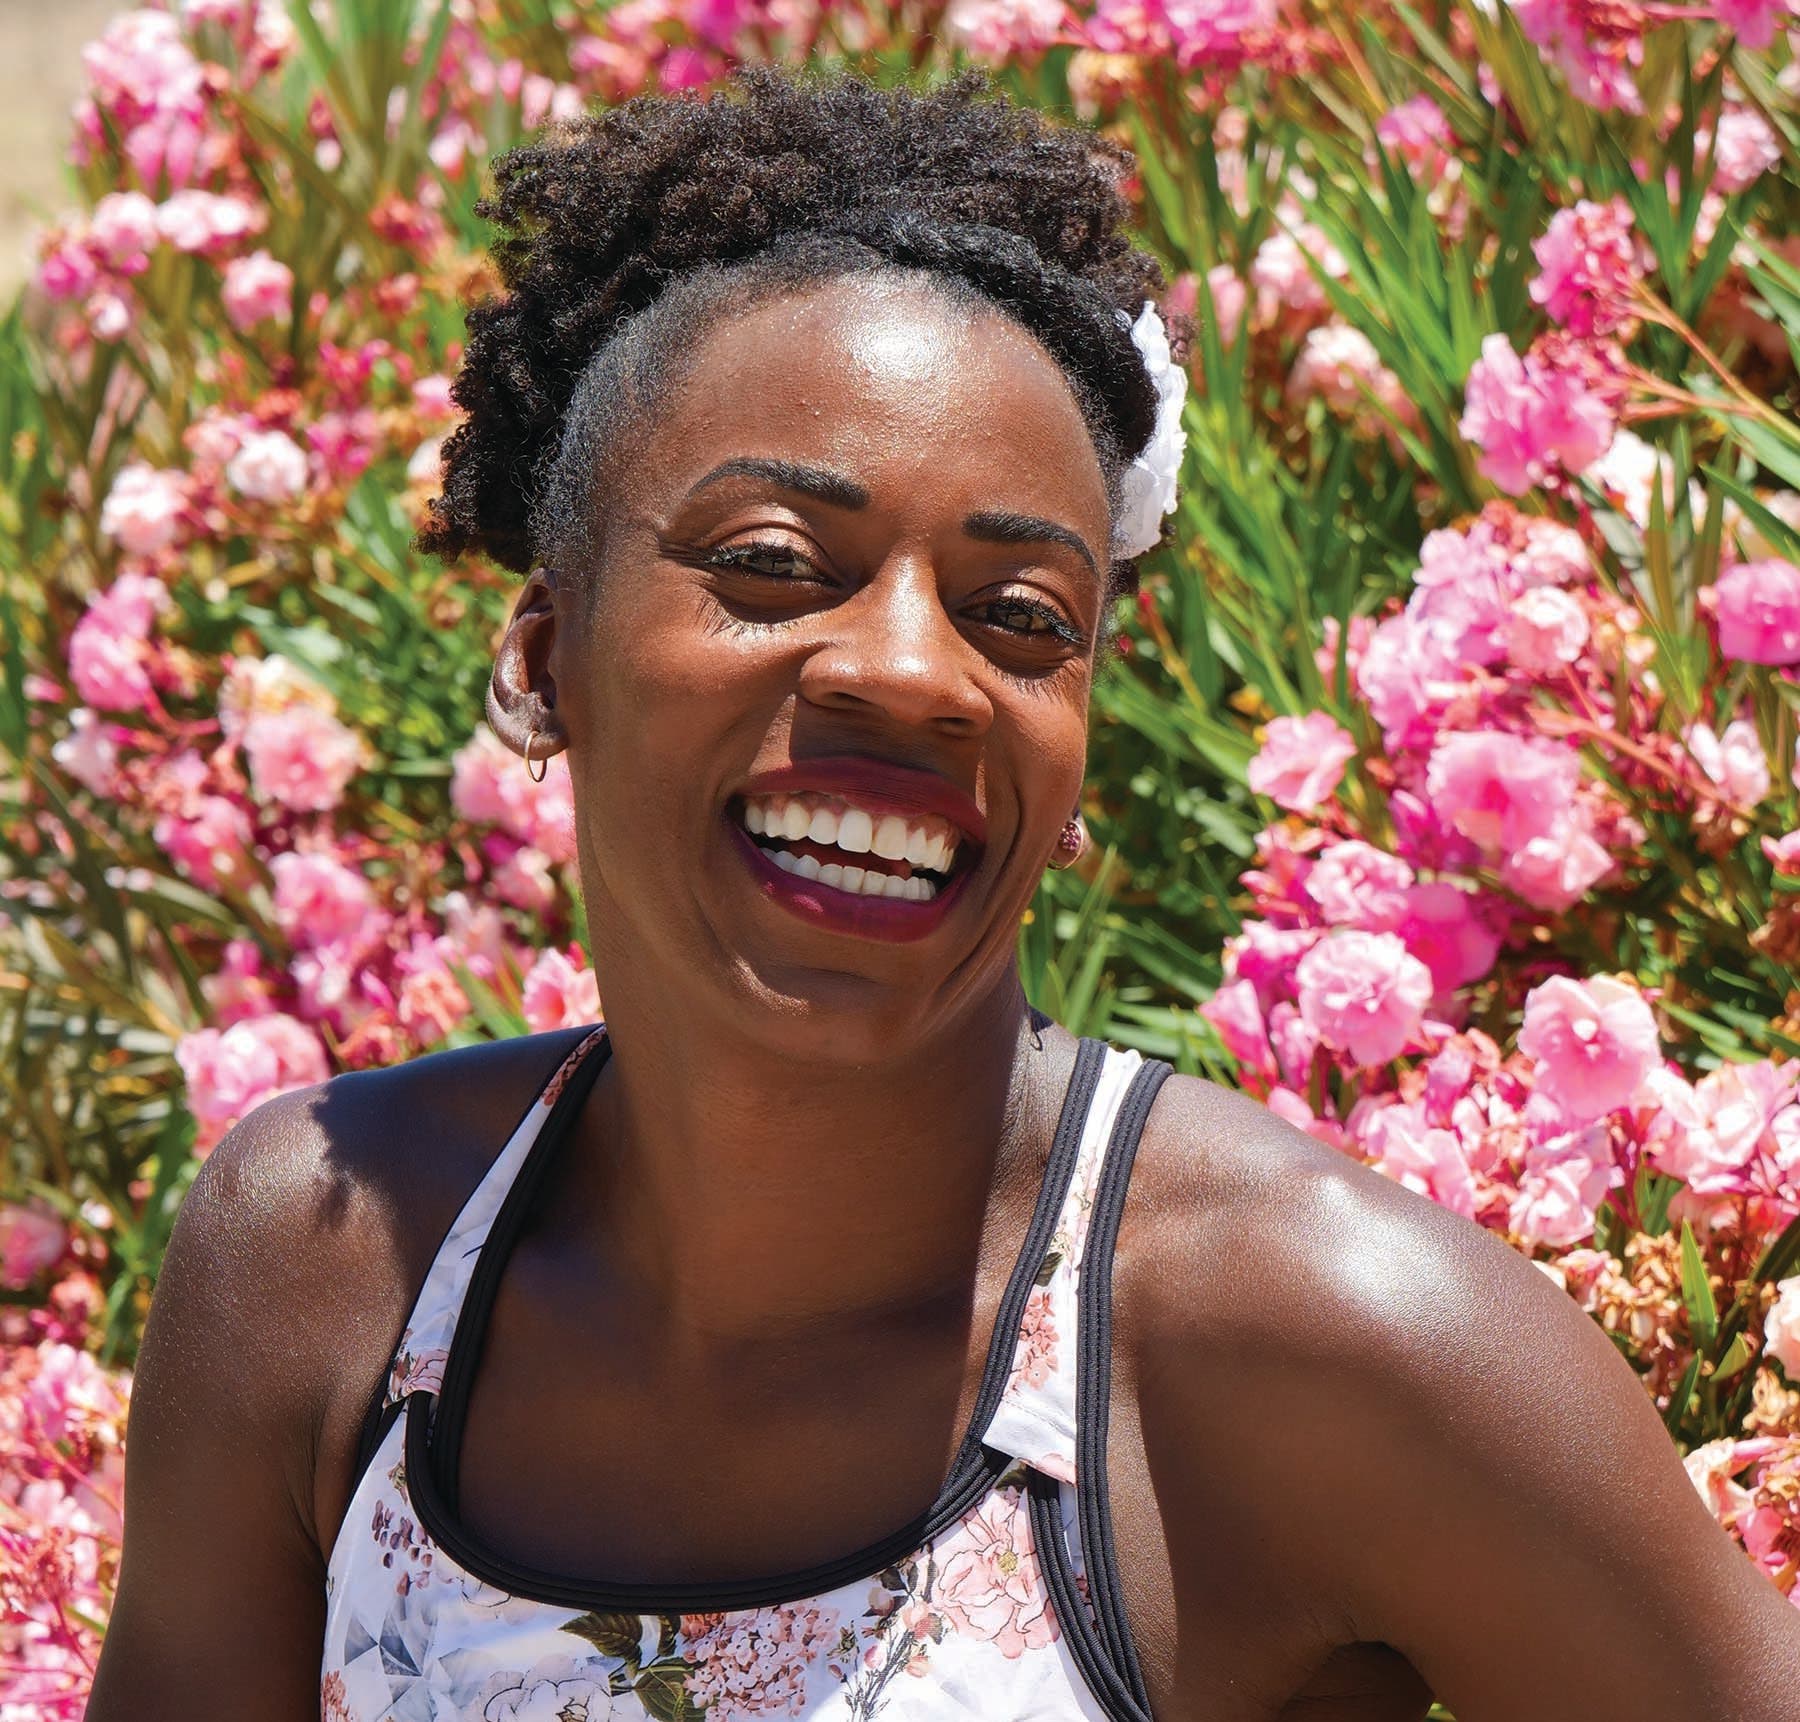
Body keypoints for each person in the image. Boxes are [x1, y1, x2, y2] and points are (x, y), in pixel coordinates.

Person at [88, 66, 1798, 1722]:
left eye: (1024, 616)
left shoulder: (1312, 1343)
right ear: (545, 659)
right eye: (772, 565)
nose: (915, 672)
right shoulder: (325, 1280)